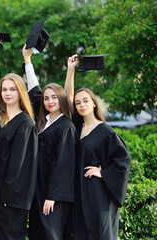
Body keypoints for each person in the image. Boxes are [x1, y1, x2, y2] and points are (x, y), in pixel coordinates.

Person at [0, 39, 38, 240]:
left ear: (20, 92)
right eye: (4, 89)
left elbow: (21, 167)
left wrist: (8, 198)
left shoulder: (26, 124)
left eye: (12, 89)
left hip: (10, 199)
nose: (8, 93)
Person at [65, 55, 131, 240]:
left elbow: (123, 161)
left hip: (99, 194)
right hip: (81, 193)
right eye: (78, 103)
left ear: (94, 103)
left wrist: (103, 173)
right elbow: (68, 97)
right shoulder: (78, 128)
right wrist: (71, 70)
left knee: (100, 234)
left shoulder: (105, 132)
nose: (81, 105)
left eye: (85, 101)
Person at [22, 46, 77, 240]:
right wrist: (27, 61)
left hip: (54, 195)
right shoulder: (43, 122)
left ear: (61, 99)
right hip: (39, 190)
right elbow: (34, 90)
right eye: (47, 98)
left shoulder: (65, 127)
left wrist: (53, 195)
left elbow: (63, 164)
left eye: (54, 97)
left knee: (51, 234)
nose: (49, 101)